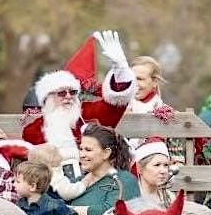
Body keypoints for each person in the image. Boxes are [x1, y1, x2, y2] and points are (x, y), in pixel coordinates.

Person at [21, 31, 137, 181]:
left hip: (94, 185)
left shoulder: (89, 114)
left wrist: (121, 70)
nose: (69, 97)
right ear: (47, 98)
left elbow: (114, 104)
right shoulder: (33, 131)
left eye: (73, 92)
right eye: (61, 93)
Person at [134, 139, 173, 204]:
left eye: (166, 165)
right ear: (139, 168)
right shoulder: (130, 198)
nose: (163, 171)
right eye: (157, 165)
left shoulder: (170, 198)